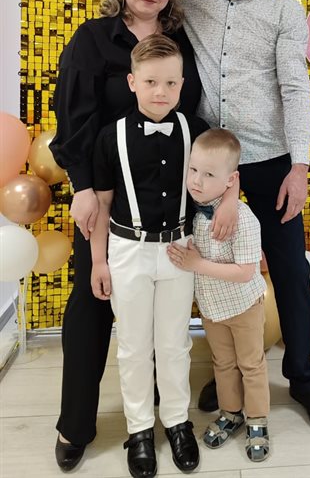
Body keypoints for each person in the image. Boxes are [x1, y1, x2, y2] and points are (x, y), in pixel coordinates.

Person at [49, 0, 235, 471]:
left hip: (171, 209)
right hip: (104, 196)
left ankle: (166, 418)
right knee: (92, 305)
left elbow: (197, 117)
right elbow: (73, 118)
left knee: (166, 327)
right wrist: (83, 187)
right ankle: (76, 425)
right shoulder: (92, 39)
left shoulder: (179, 43)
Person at [178, 0, 310, 439]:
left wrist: (300, 167)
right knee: (213, 266)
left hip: (270, 160)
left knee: (290, 270)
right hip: (211, 166)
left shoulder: (284, 9)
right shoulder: (191, 1)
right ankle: (227, 373)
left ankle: (304, 379)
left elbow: (296, 88)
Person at [90, 35, 207, 477]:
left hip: (180, 250)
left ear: (182, 84)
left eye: (171, 83)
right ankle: (139, 429)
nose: (161, 92)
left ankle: (177, 421)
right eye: (152, 82)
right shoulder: (110, 137)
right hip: (128, 250)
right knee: (134, 346)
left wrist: (231, 200)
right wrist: (98, 261)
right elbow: (102, 204)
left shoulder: (196, 131)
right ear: (132, 82)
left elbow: (219, 179)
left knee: (175, 343)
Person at [169, 128, 270, 463]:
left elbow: (245, 272)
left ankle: (258, 420)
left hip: (243, 306)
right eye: (193, 170)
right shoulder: (192, 212)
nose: (197, 181)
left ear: (231, 180)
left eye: (209, 174)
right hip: (212, 308)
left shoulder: (243, 219)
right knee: (222, 363)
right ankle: (231, 412)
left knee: (251, 364)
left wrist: (197, 264)